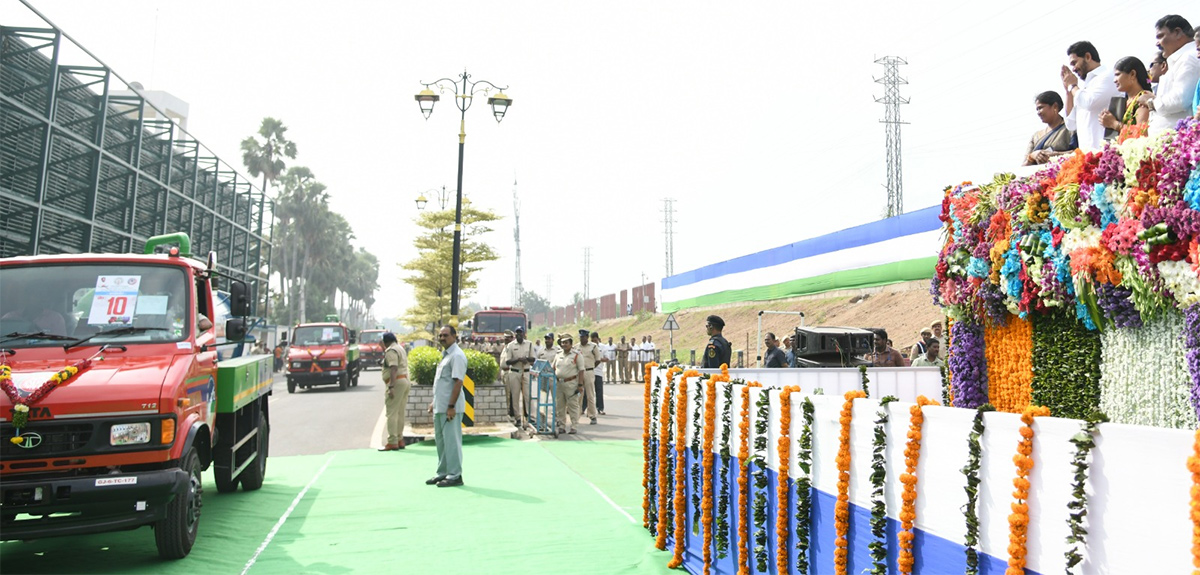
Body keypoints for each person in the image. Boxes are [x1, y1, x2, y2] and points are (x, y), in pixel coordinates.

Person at [425, 325, 467, 488]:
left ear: (455, 336)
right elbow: (443, 383)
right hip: (440, 407)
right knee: (441, 442)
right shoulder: (446, 355)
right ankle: (443, 472)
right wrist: (434, 402)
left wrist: (451, 406)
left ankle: (455, 475)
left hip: (451, 409)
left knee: (452, 442)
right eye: (440, 335)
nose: (442, 338)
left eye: (446, 335)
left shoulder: (457, 356)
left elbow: (458, 382)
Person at [1145, 15, 1199, 135]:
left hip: (1180, 143)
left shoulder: (1189, 57)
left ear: (1178, 33)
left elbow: (1180, 100)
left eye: (1160, 36)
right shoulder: (1180, 59)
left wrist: (1151, 102)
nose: (1157, 43)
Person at [1062, 40, 1120, 151]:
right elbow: (1071, 124)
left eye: (1075, 62)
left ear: (1088, 57)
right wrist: (1068, 92)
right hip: (1087, 156)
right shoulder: (1083, 89)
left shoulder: (1107, 76)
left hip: (1107, 153)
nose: (1073, 69)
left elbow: (1089, 103)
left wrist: (1072, 85)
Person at [1100, 57, 1155, 140]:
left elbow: (1142, 134)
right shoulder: (1124, 101)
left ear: (1132, 74)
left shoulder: (1143, 99)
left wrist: (1114, 124)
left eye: (1118, 74)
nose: (1114, 80)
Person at [1023, 91, 1075, 165]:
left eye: (1040, 108)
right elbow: (1023, 167)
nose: (1038, 112)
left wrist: (1054, 155)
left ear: (1055, 106)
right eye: (1037, 109)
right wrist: (1032, 156)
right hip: (1038, 175)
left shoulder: (1070, 129)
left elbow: (1080, 153)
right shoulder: (1036, 136)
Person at [379, 332, 410, 452]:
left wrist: (391, 386)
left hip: (396, 383)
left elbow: (393, 368)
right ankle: (400, 439)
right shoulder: (400, 348)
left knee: (391, 413)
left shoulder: (391, 351)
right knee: (400, 412)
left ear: (386, 342)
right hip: (404, 380)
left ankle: (392, 441)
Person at [502, 326, 536, 427]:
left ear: (524, 334)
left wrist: (526, 359)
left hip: (525, 372)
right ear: (515, 335)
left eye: (520, 333)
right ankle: (517, 418)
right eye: (517, 333)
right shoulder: (511, 345)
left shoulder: (529, 344)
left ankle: (529, 417)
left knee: (527, 395)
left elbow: (533, 359)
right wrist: (518, 359)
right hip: (515, 372)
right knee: (515, 396)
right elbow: (508, 361)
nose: (519, 335)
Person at [552, 333, 586, 435]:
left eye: (566, 342)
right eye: (562, 343)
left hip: (571, 384)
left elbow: (581, 370)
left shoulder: (576, 355)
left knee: (573, 405)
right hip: (559, 384)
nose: (564, 345)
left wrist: (580, 385)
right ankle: (562, 426)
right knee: (560, 406)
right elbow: (553, 367)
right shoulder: (558, 354)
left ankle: (574, 426)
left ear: (571, 344)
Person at [577, 329, 602, 424]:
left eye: (583, 337)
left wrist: (591, 368)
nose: (581, 339)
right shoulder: (576, 347)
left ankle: (592, 416)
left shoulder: (593, 346)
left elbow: (598, 360)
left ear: (587, 337)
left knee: (590, 395)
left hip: (589, 372)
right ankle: (577, 415)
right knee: (579, 395)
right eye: (580, 337)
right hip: (579, 373)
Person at [591, 332, 607, 415]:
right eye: (592, 340)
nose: (594, 341)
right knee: (588, 392)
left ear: (598, 338)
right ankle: (583, 408)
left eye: (595, 339)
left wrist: (598, 359)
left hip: (598, 372)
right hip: (589, 372)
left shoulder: (603, 347)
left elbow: (607, 358)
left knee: (599, 391)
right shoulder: (589, 347)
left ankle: (600, 408)